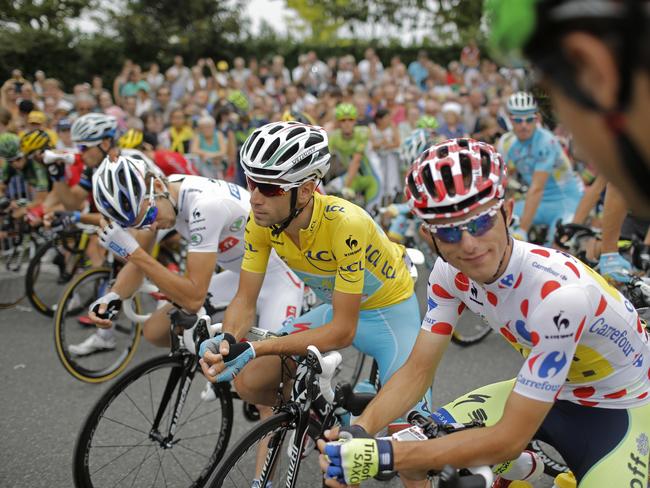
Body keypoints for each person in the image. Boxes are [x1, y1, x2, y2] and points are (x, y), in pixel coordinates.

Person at [319, 138, 650, 488]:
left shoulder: (559, 295)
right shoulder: (449, 275)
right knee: (413, 444)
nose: (469, 244)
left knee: (408, 452)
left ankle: (518, 466)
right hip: (547, 392)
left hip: (620, 408)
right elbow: (417, 372)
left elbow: (507, 437)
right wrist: (359, 432)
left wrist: (382, 455)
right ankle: (522, 468)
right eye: (448, 231)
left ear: (507, 213)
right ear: (428, 237)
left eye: (479, 223)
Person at [198, 121, 428, 447]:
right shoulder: (262, 222)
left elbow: (342, 331)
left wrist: (256, 347)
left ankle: (366, 417)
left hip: (388, 316)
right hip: (338, 309)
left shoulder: (346, 223)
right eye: (252, 182)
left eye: (271, 188)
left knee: (407, 448)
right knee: (250, 381)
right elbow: (245, 300)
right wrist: (228, 341)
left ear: (305, 190)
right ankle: (323, 414)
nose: (254, 198)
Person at [72, 154, 304, 356]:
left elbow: (193, 297)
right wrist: (112, 297)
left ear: (159, 188)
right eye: (140, 225)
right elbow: (139, 263)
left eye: (150, 217)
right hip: (241, 276)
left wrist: (131, 251)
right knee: (156, 330)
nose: (151, 228)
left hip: (278, 279)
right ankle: (227, 368)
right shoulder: (162, 197)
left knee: (264, 388)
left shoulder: (205, 206)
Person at [486, 0, 650, 219]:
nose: (579, 149)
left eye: (548, 99)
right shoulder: (508, 142)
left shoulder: (546, 141)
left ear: (593, 68)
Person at [502, 91, 583, 244]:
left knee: (558, 246)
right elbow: (501, 180)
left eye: (529, 119)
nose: (524, 125)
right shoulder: (506, 142)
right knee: (503, 223)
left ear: (537, 118)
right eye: (518, 120)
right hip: (538, 202)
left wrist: (523, 230)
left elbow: (537, 188)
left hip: (565, 201)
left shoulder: (547, 141)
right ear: (510, 120)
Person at [327, 103, 381, 207]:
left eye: (350, 120)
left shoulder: (362, 132)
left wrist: (346, 187)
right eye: (343, 120)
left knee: (372, 214)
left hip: (370, 180)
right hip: (352, 179)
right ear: (338, 123)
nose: (347, 123)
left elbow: (356, 161)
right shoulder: (334, 136)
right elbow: (324, 157)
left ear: (355, 121)